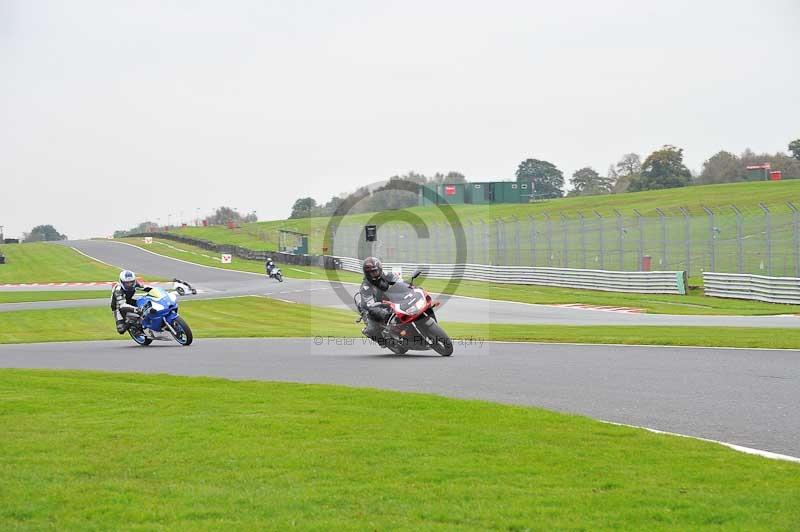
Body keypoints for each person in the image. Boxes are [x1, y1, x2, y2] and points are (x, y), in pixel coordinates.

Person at [358, 257, 400, 343]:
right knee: (374, 324)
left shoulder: (388, 275)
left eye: (375, 271)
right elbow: (370, 305)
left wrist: (411, 287)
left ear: (380, 269)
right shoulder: (365, 287)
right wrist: (384, 305)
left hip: (388, 301)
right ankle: (381, 340)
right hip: (371, 308)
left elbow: (401, 283)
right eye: (371, 273)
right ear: (366, 273)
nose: (374, 274)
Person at [110, 270, 153, 334]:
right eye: (126, 283)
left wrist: (157, 290)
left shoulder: (135, 284)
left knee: (146, 305)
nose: (129, 284)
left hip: (129, 301)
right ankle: (130, 324)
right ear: (121, 282)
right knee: (121, 330)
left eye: (131, 282)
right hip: (118, 307)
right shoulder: (118, 290)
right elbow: (122, 305)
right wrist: (137, 310)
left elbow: (146, 288)